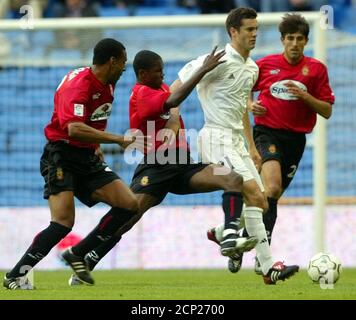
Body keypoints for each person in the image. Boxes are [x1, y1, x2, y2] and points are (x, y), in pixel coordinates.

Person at [67, 47, 260, 286]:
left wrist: (173, 122)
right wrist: (203, 70)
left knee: (232, 179)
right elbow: (175, 101)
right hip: (156, 166)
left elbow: (175, 114)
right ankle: (84, 257)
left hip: (182, 165)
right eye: (158, 72)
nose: (163, 75)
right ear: (143, 73)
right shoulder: (142, 93)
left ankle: (229, 236)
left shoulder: (159, 88)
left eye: (163, 71)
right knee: (127, 218)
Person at [3, 38, 147, 290]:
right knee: (62, 223)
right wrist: (117, 139)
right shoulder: (79, 85)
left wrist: (97, 145)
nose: (125, 68)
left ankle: (77, 253)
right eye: (123, 62)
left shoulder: (107, 85)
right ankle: (16, 275)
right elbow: (73, 127)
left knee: (129, 205)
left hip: (87, 156)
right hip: (62, 156)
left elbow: (92, 119)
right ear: (112, 61)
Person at [177, 7, 299, 284]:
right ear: (234, 31)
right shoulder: (215, 61)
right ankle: (260, 261)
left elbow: (242, 107)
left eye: (257, 29)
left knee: (261, 202)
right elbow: (176, 89)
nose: (255, 34)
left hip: (236, 142)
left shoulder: (252, 67)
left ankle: (225, 234)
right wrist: (172, 124)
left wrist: (251, 146)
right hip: (214, 139)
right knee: (253, 195)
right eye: (249, 29)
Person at [249, 13, 334, 274]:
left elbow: (327, 111)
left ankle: (237, 233)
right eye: (289, 38)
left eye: (299, 39)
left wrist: (306, 96)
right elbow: (240, 93)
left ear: (306, 41)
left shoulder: (316, 69)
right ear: (282, 40)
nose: (294, 43)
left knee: (270, 197)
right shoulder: (265, 65)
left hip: (296, 140)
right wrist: (249, 104)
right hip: (266, 133)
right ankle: (265, 258)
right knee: (272, 187)